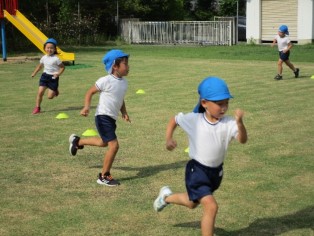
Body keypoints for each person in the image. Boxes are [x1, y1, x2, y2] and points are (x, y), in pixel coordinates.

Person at [153, 77, 248, 236]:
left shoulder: (229, 122)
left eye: (226, 103)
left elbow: (243, 140)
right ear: (204, 103)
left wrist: (240, 123)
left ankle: (166, 197)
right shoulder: (195, 120)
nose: (224, 108)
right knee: (211, 206)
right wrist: (168, 138)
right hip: (197, 171)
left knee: (191, 203)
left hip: (216, 173)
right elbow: (174, 120)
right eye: (219, 104)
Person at [69, 49, 131, 186]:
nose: (128, 67)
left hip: (111, 118)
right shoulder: (105, 80)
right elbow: (90, 92)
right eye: (125, 64)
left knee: (104, 143)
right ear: (115, 66)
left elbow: (120, 99)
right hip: (102, 116)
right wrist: (86, 107)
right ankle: (104, 176)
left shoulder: (124, 82)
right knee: (114, 146)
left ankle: (77, 142)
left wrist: (124, 112)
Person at [31, 38, 65, 114]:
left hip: (53, 78)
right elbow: (40, 66)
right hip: (44, 76)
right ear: (45, 48)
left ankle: (55, 90)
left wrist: (58, 74)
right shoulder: (43, 57)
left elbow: (63, 67)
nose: (49, 49)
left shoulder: (56, 59)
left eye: (51, 48)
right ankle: (37, 108)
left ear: (54, 49)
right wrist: (34, 73)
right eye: (48, 48)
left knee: (50, 97)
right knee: (40, 92)